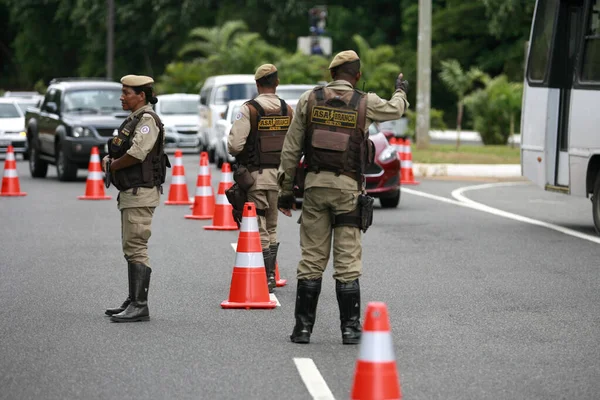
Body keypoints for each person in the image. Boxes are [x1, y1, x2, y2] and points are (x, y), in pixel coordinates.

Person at [277, 50, 409, 344]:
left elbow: (291, 148)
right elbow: (396, 110)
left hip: (314, 188)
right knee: (347, 262)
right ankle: (350, 330)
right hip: (348, 190)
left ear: (332, 74)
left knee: (311, 260)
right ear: (357, 76)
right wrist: (400, 91)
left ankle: (302, 329)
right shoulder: (365, 102)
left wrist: (285, 192)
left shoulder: (309, 99)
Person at [102, 75, 169, 323]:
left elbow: (138, 153)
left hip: (141, 192)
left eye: (126, 92)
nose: (122, 96)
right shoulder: (136, 118)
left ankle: (140, 305)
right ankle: (133, 299)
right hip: (132, 192)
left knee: (136, 247)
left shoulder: (147, 120)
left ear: (141, 95)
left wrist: (114, 166)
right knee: (131, 247)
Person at [227, 64, 293, 293]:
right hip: (280, 177)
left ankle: (266, 277)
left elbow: (235, 145)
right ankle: (271, 274)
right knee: (272, 226)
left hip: (255, 177)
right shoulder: (287, 109)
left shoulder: (249, 109)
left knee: (258, 225)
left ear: (257, 84)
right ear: (277, 82)